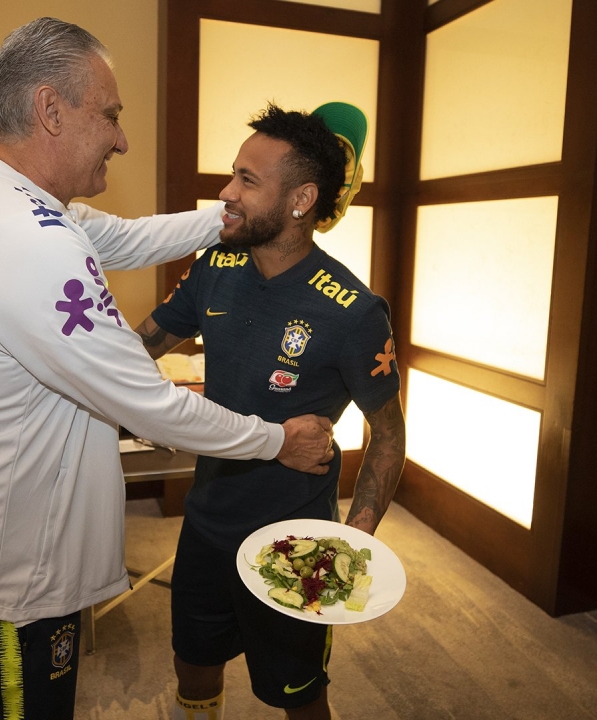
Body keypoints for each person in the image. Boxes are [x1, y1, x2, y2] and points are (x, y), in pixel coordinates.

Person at [0, 17, 334, 720]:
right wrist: (277, 439)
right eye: (110, 115)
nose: (122, 139)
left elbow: (126, 239)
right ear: (50, 109)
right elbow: (149, 403)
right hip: (6, 582)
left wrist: (228, 214)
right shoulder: (24, 243)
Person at [135, 103, 407, 720]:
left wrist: (353, 543)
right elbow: (137, 347)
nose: (226, 193)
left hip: (295, 542)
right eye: (233, 173)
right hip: (207, 522)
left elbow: (388, 437)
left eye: (247, 180)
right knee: (192, 665)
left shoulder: (354, 311)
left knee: (298, 695)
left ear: (301, 200)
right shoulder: (215, 268)